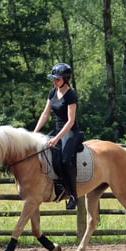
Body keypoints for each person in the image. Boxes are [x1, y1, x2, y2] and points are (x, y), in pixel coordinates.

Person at [34, 62, 80, 210]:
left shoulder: (71, 95)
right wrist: (34, 132)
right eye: (54, 79)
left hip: (70, 131)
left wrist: (57, 138)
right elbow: (45, 113)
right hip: (57, 130)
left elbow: (71, 121)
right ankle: (57, 185)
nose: (55, 81)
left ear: (65, 79)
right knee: (43, 151)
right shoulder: (53, 92)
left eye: (58, 79)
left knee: (66, 160)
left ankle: (73, 195)